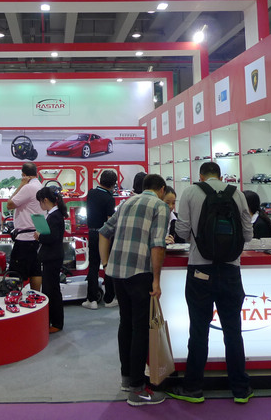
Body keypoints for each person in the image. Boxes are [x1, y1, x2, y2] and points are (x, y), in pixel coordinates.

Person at [171, 161, 254, 405]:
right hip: (231, 270)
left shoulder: (190, 192)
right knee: (233, 330)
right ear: (220, 175)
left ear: (201, 176)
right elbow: (248, 234)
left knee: (198, 330)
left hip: (200, 269)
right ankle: (240, 389)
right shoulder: (237, 193)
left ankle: (193, 388)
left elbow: (182, 232)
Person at [99, 173, 170, 407]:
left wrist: (106, 263)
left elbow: (103, 232)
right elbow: (158, 244)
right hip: (140, 273)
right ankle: (137, 390)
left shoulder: (126, 202)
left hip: (117, 272)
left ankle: (127, 378)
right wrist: (156, 279)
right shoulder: (159, 206)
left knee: (126, 324)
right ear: (161, 189)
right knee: (140, 329)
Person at [82, 169, 118, 309]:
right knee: (107, 264)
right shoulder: (109, 199)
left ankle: (91, 300)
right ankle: (109, 299)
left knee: (93, 266)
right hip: (104, 235)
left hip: (92, 233)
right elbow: (110, 222)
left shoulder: (91, 193)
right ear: (113, 184)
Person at [6, 162, 44, 290]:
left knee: (16, 272)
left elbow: (9, 204)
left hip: (24, 237)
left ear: (23, 174)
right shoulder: (40, 186)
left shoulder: (27, 188)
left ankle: (15, 297)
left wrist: (21, 185)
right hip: (36, 234)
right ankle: (36, 295)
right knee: (35, 269)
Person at [34, 186, 67, 333]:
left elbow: (53, 237)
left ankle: (57, 323)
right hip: (52, 256)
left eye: (40, 202)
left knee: (52, 290)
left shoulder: (54, 216)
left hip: (52, 257)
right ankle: (53, 321)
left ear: (45, 200)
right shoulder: (55, 214)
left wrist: (39, 236)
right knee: (50, 289)